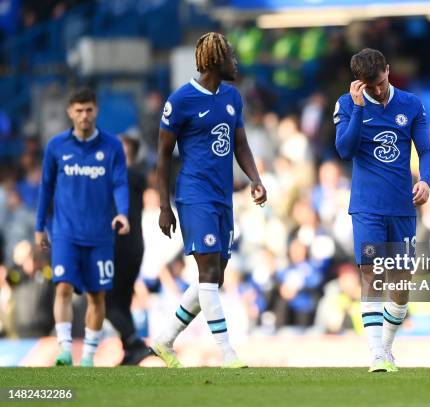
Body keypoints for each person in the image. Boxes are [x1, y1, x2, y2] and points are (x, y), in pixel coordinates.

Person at [151, 32, 266, 368]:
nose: (236, 60)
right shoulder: (181, 100)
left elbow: (240, 144)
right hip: (194, 194)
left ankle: (164, 339)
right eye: (231, 55)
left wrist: (255, 179)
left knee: (213, 278)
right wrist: (163, 205)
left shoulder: (232, 97)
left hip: (223, 197)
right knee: (208, 272)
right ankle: (228, 353)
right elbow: (162, 156)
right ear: (217, 61)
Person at [334, 48, 430, 372]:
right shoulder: (348, 104)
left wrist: (426, 181)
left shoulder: (412, 104)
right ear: (358, 83)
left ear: (388, 71)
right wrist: (361, 110)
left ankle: (387, 348)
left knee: (401, 285)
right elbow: (345, 150)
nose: (377, 90)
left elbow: (426, 151)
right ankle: (376, 353)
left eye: (380, 82)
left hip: (403, 208)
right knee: (372, 275)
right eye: (370, 85)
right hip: (367, 207)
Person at [35, 88, 130, 367]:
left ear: (96, 110)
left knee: (96, 295)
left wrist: (123, 213)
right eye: (78, 110)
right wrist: (40, 225)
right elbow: (46, 187)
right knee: (62, 287)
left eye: (88, 109)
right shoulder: (56, 147)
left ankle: (88, 356)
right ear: (69, 112)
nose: (84, 115)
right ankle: (65, 350)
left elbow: (120, 183)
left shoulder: (112, 146)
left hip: (100, 235)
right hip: (65, 233)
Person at [105, 133, 150, 365]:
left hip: (120, 247)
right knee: (121, 302)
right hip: (133, 247)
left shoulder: (126, 176)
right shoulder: (136, 176)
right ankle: (131, 352)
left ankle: (135, 342)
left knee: (105, 301)